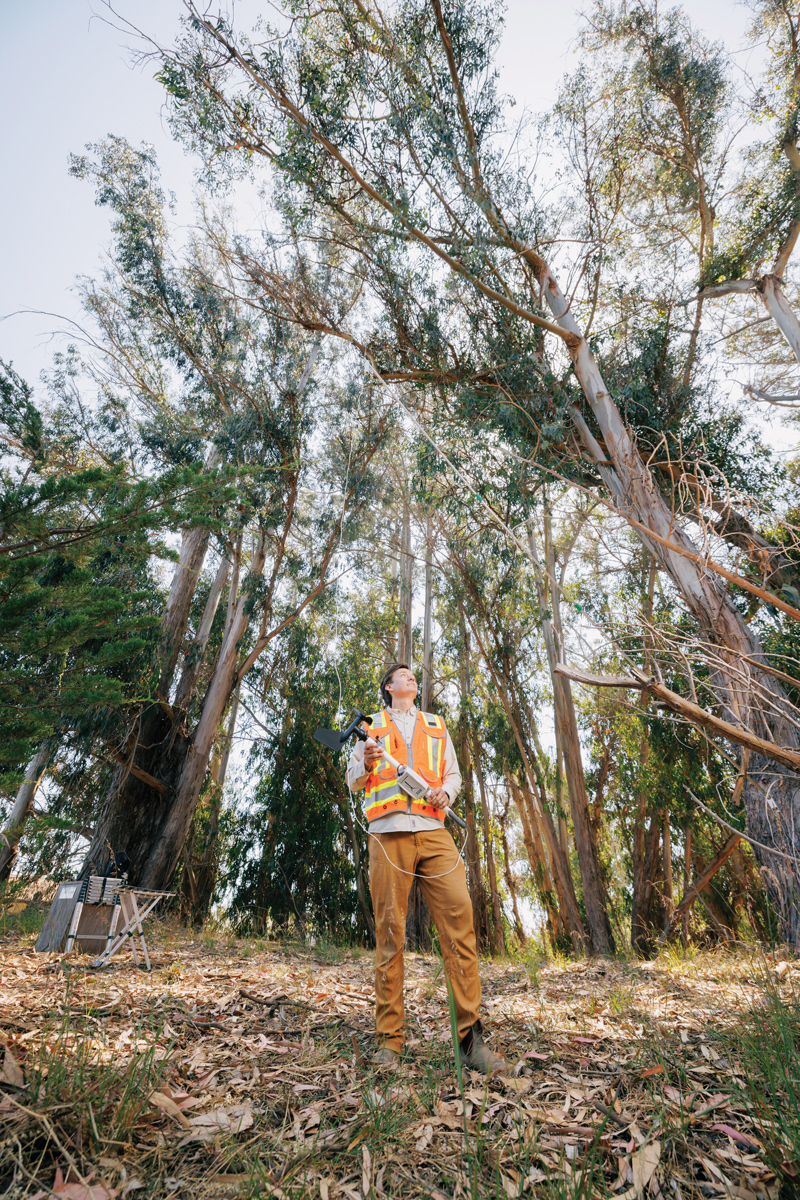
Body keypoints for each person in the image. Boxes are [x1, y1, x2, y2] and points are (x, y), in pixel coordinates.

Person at [347, 662, 505, 1074]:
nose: (409, 676)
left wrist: (446, 793)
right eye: (401, 674)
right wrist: (364, 761)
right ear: (388, 686)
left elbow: (453, 775)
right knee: (390, 933)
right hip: (388, 831)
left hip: (435, 831)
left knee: (460, 923)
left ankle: (471, 1041)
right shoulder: (369, 725)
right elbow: (352, 780)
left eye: (412, 674)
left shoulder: (436, 725)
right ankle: (389, 1044)